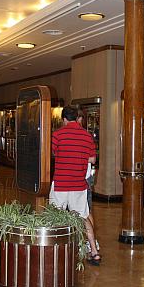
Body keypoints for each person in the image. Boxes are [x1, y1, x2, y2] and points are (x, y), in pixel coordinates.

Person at [50, 105, 101, 265]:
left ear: (64, 119)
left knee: (54, 217)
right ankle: (94, 251)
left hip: (60, 183)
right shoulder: (87, 136)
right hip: (79, 185)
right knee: (84, 217)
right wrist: (80, 157)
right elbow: (93, 159)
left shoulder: (57, 135)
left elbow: (53, 153)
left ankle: (55, 251)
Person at [76, 109, 99, 254]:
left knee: (87, 210)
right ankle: (89, 242)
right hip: (81, 177)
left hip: (84, 177)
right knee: (85, 210)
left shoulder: (85, 136)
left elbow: (92, 159)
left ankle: (91, 242)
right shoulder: (85, 135)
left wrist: (76, 156)